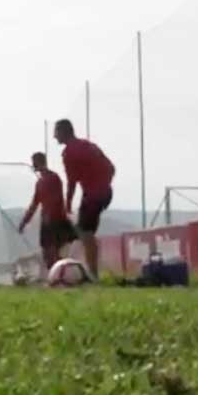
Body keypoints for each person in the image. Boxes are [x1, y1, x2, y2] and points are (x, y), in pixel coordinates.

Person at [55, 119, 115, 280]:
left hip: (93, 195)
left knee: (85, 233)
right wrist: (104, 186)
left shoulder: (69, 152)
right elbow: (111, 168)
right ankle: (92, 267)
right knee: (85, 232)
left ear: (64, 132)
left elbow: (71, 182)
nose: (55, 136)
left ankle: (93, 275)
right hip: (103, 192)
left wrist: (67, 205)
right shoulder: (88, 145)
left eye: (56, 132)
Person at [18, 151, 77, 269]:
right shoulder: (40, 182)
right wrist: (24, 222)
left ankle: (61, 275)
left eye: (34, 162)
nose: (33, 165)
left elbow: (57, 199)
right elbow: (34, 204)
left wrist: (51, 215)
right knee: (47, 252)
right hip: (47, 221)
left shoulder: (53, 178)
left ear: (40, 162)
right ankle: (55, 276)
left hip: (57, 220)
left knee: (56, 251)